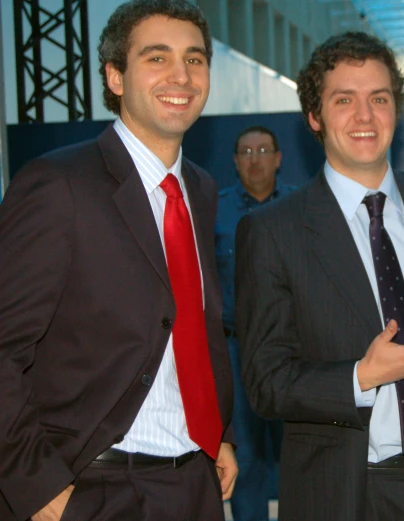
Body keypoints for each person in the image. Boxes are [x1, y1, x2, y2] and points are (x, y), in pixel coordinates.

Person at [234, 31, 404, 521]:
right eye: (345, 100)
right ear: (315, 117)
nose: (365, 116)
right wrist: (363, 377)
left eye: (379, 99)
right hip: (352, 497)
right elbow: (266, 382)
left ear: (396, 111)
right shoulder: (273, 231)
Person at [0, 1, 237, 520]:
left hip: (194, 481)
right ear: (114, 76)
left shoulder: (200, 187)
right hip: (94, 486)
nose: (182, 75)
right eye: (157, 58)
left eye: (195, 59)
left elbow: (194, 326)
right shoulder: (58, 184)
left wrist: (217, 432)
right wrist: (36, 487)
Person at [215, 126, 294, 521]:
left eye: (263, 149)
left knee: (299, 455)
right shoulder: (216, 210)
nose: (255, 158)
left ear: (278, 158)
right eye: (245, 151)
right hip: (235, 352)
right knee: (243, 456)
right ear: (235, 160)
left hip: (293, 350)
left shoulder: (304, 206)